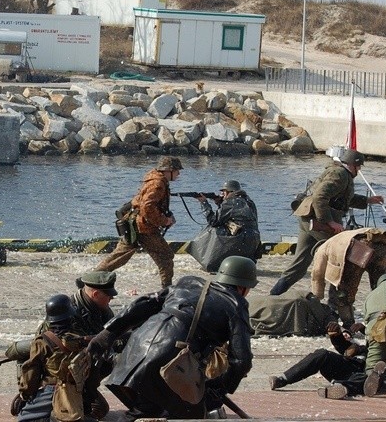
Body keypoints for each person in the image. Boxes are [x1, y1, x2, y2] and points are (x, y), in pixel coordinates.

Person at [87, 256, 257, 420]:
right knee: (194, 414)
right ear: (243, 287)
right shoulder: (236, 304)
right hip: (166, 368)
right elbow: (242, 361)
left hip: (129, 357)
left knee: (147, 409)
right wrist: (218, 389)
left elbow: (143, 304)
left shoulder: (189, 283)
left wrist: (107, 333)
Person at [270, 148, 384, 296]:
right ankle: (337, 302)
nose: (359, 170)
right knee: (344, 256)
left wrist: (367, 201)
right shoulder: (341, 175)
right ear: (352, 165)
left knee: (299, 265)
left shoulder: (339, 173)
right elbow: (320, 197)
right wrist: (330, 222)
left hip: (309, 220)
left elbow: (342, 199)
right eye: (359, 166)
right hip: (319, 223)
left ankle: (274, 295)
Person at [25, 271, 118, 421]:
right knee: (88, 411)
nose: (111, 298)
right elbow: (70, 350)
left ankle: (80, 397)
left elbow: (112, 333)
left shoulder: (101, 309)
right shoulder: (67, 314)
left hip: (80, 373)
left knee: (99, 409)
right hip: (60, 375)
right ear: (95, 294)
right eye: (108, 295)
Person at [95, 156, 181, 287]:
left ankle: (90, 278)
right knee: (166, 257)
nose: (178, 174)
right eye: (176, 170)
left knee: (118, 257)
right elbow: (147, 207)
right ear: (168, 170)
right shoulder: (158, 184)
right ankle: (167, 290)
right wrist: (164, 221)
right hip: (144, 228)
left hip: (134, 224)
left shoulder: (154, 180)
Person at [17, 294, 96, 422]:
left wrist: (25, 395)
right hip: (79, 389)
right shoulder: (81, 338)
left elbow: (31, 373)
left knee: (23, 418)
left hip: (53, 389)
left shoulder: (42, 341)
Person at [310, 228, 386, 326]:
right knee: (382, 288)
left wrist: (317, 298)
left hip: (358, 247)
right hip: (380, 243)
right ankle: (385, 322)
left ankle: (349, 325)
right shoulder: (337, 239)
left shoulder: (321, 250)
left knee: (344, 294)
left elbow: (317, 275)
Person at [189, 180, 261, 270]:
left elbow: (213, 221)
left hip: (240, 239)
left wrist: (204, 203)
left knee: (213, 229)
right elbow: (233, 214)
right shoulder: (249, 201)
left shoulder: (230, 201)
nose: (222, 194)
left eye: (223, 192)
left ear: (230, 192)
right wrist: (220, 203)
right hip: (253, 240)